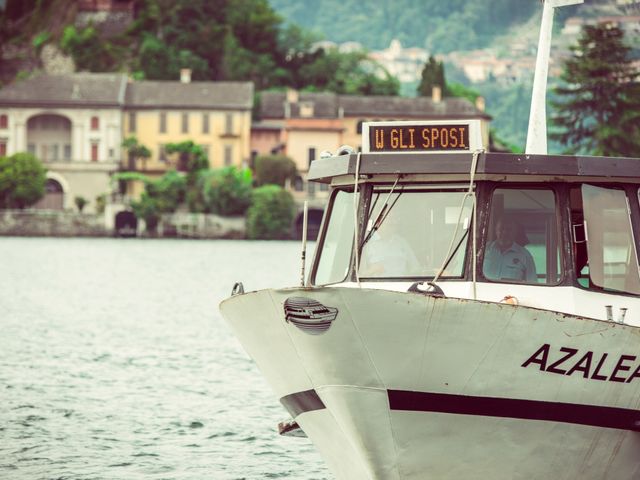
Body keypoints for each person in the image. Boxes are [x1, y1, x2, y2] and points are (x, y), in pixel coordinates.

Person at [483, 217, 537, 282]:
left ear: (515, 232)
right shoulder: (483, 250)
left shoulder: (525, 255)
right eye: (501, 229)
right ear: (496, 231)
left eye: (509, 229)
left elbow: (532, 282)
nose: (504, 232)